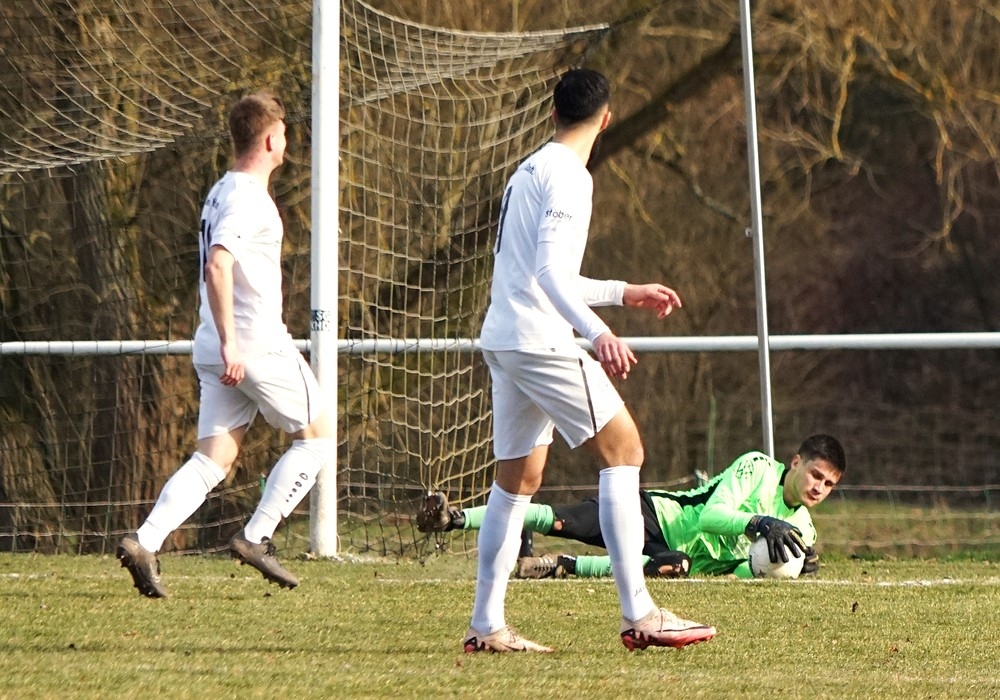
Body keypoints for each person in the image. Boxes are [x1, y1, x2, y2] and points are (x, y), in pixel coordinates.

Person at [463, 67, 715, 653]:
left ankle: (486, 625)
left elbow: (546, 273)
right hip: (537, 339)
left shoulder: (529, 170)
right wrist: (598, 333)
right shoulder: (571, 177)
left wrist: (624, 292)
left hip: (505, 337)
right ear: (606, 120)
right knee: (624, 450)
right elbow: (551, 275)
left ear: (554, 114)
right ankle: (641, 614)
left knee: (518, 480)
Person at [116, 91, 333, 599]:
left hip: (214, 345)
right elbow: (218, 264)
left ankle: (145, 541)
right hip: (252, 346)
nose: (288, 143)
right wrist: (234, 344)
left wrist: (225, 344)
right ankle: (257, 535)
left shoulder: (220, 190)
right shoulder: (247, 198)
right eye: (284, 134)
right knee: (318, 437)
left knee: (213, 459)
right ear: (270, 139)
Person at [419, 433, 846, 580]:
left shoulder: (803, 531)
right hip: (655, 516)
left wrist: (778, 569)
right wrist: (759, 522)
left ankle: (560, 566)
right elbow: (712, 517)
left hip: (674, 556)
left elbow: (739, 573)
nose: (819, 488)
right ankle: (453, 518)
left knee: (674, 567)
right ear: (796, 462)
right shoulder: (758, 467)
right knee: (561, 520)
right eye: (816, 475)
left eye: (828, 484)